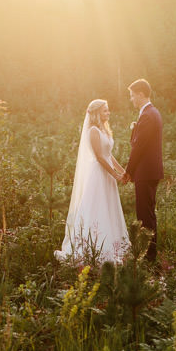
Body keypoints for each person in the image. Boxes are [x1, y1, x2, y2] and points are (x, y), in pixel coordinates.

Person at [55, 99, 130, 264]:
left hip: (108, 174)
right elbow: (100, 158)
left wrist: (122, 170)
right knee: (97, 208)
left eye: (108, 110)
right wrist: (115, 175)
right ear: (96, 113)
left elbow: (109, 154)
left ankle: (114, 245)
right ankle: (93, 248)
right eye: (105, 111)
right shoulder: (93, 131)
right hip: (99, 174)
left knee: (109, 207)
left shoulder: (104, 129)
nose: (108, 113)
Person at [123, 78, 163, 262]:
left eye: (132, 95)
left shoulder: (147, 115)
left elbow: (138, 147)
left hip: (145, 173)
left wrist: (128, 170)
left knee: (144, 215)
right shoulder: (153, 113)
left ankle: (149, 256)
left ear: (140, 94)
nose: (131, 99)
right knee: (148, 213)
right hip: (151, 172)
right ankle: (150, 253)